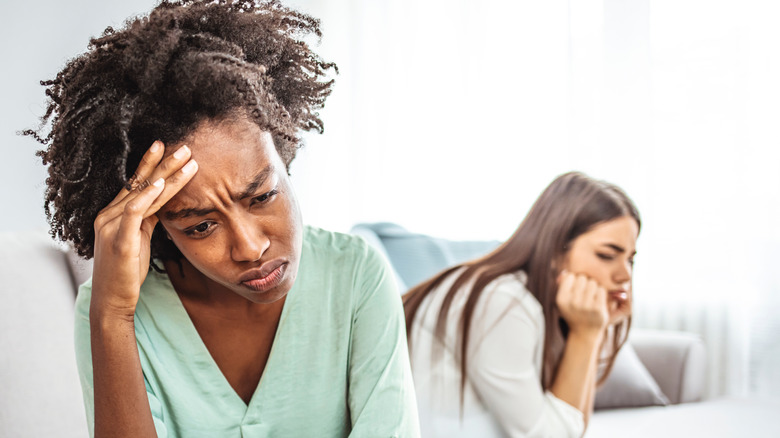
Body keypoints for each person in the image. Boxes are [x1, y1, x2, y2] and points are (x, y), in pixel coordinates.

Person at [25, 1, 419, 436]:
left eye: (263, 196)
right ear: (158, 228)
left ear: (286, 158)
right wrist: (113, 316)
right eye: (199, 226)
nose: (250, 248)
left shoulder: (355, 275)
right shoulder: (110, 310)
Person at [403, 172, 640, 437]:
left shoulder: (531, 303)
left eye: (630, 259)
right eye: (607, 255)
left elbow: (572, 427)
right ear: (554, 250)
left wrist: (592, 333)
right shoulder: (502, 303)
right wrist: (586, 335)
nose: (625, 276)